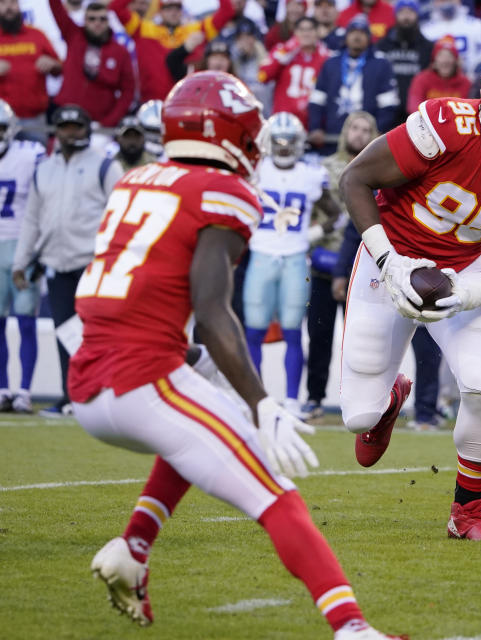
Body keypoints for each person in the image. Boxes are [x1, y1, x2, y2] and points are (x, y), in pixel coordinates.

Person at [69, 71, 403, 640]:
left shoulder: (135, 180)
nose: (253, 147)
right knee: (276, 492)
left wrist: (210, 374)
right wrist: (261, 400)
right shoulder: (221, 192)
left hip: (90, 376)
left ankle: (134, 549)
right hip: (140, 381)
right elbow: (212, 308)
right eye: (247, 135)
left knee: (198, 420)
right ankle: (352, 629)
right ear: (222, 134)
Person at [337, 47, 481, 541]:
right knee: (358, 419)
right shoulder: (444, 123)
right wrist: (389, 261)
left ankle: (467, 512)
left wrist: (468, 293)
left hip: (462, 267)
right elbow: (354, 178)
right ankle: (392, 398)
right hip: (391, 259)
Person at [12, 105, 123, 418]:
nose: (70, 133)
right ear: (56, 131)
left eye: (76, 127)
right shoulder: (45, 169)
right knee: (65, 332)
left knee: (95, 333)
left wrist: (114, 258)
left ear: (87, 129)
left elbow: (120, 215)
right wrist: (21, 262)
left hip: (92, 263)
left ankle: (101, 394)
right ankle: (69, 395)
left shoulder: (104, 166)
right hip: (56, 264)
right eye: (65, 128)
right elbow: (32, 220)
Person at [244, 112, 338, 418]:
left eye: (289, 142)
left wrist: (310, 235)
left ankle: (292, 402)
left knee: (293, 333)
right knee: (254, 332)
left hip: (296, 258)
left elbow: (335, 213)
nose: (284, 148)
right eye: (278, 142)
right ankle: (255, 400)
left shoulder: (311, 174)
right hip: (260, 255)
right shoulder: (255, 170)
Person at [303, 111, 377, 418]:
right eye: (355, 128)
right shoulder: (322, 168)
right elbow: (309, 214)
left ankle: (360, 401)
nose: (359, 134)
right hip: (322, 263)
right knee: (319, 336)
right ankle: (315, 398)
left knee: (360, 339)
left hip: (361, 264)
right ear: (346, 131)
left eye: (366, 130)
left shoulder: (379, 171)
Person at [0, 99, 43, 413]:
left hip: (22, 245)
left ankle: (25, 391)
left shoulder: (30, 156)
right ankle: (3, 388)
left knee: (26, 322)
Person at [108, 0, 236, 101]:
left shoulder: (196, 30)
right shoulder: (142, 29)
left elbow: (227, 12)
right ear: (160, 11)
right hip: (151, 103)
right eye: (168, 8)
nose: (173, 12)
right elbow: (116, 7)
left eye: (177, 8)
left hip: (187, 103)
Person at [307, 15, 397, 156]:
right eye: (353, 32)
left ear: (369, 38)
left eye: (362, 33)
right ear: (346, 36)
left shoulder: (381, 64)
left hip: (366, 142)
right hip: (332, 139)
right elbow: (317, 99)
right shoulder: (331, 62)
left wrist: (378, 130)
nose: (357, 36)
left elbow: (388, 104)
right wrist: (315, 127)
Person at [49, 0, 134, 127]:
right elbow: (55, 6)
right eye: (92, 19)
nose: (97, 23)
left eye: (102, 19)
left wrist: (108, 122)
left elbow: (129, 91)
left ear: (109, 21)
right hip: (65, 117)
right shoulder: (73, 35)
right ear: (85, 21)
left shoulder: (121, 52)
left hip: (98, 123)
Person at [0, 0, 61, 136]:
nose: (9, 7)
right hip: (1, 121)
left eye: (13, 2)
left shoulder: (37, 35)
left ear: (20, 6)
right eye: (3, 3)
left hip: (35, 118)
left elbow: (59, 68)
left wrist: (52, 64)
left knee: (38, 156)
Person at [259, 16, 328, 127]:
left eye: (310, 29)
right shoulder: (282, 50)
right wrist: (288, 49)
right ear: (295, 32)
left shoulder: (325, 57)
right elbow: (263, 76)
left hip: (312, 123)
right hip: (283, 123)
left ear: (317, 32)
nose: (306, 34)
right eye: (301, 30)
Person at [376, 0, 433, 127]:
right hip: (387, 110)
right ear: (395, 15)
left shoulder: (428, 47)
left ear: (417, 15)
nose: (406, 17)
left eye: (410, 12)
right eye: (402, 12)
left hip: (418, 113)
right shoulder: (382, 45)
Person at [406, 36, 472, 115]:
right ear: (434, 62)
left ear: (456, 61)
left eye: (449, 56)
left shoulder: (465, 83)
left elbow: (469, 109)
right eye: (441, 55)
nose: (445, 60)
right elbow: (413, 106)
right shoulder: (421, 79)